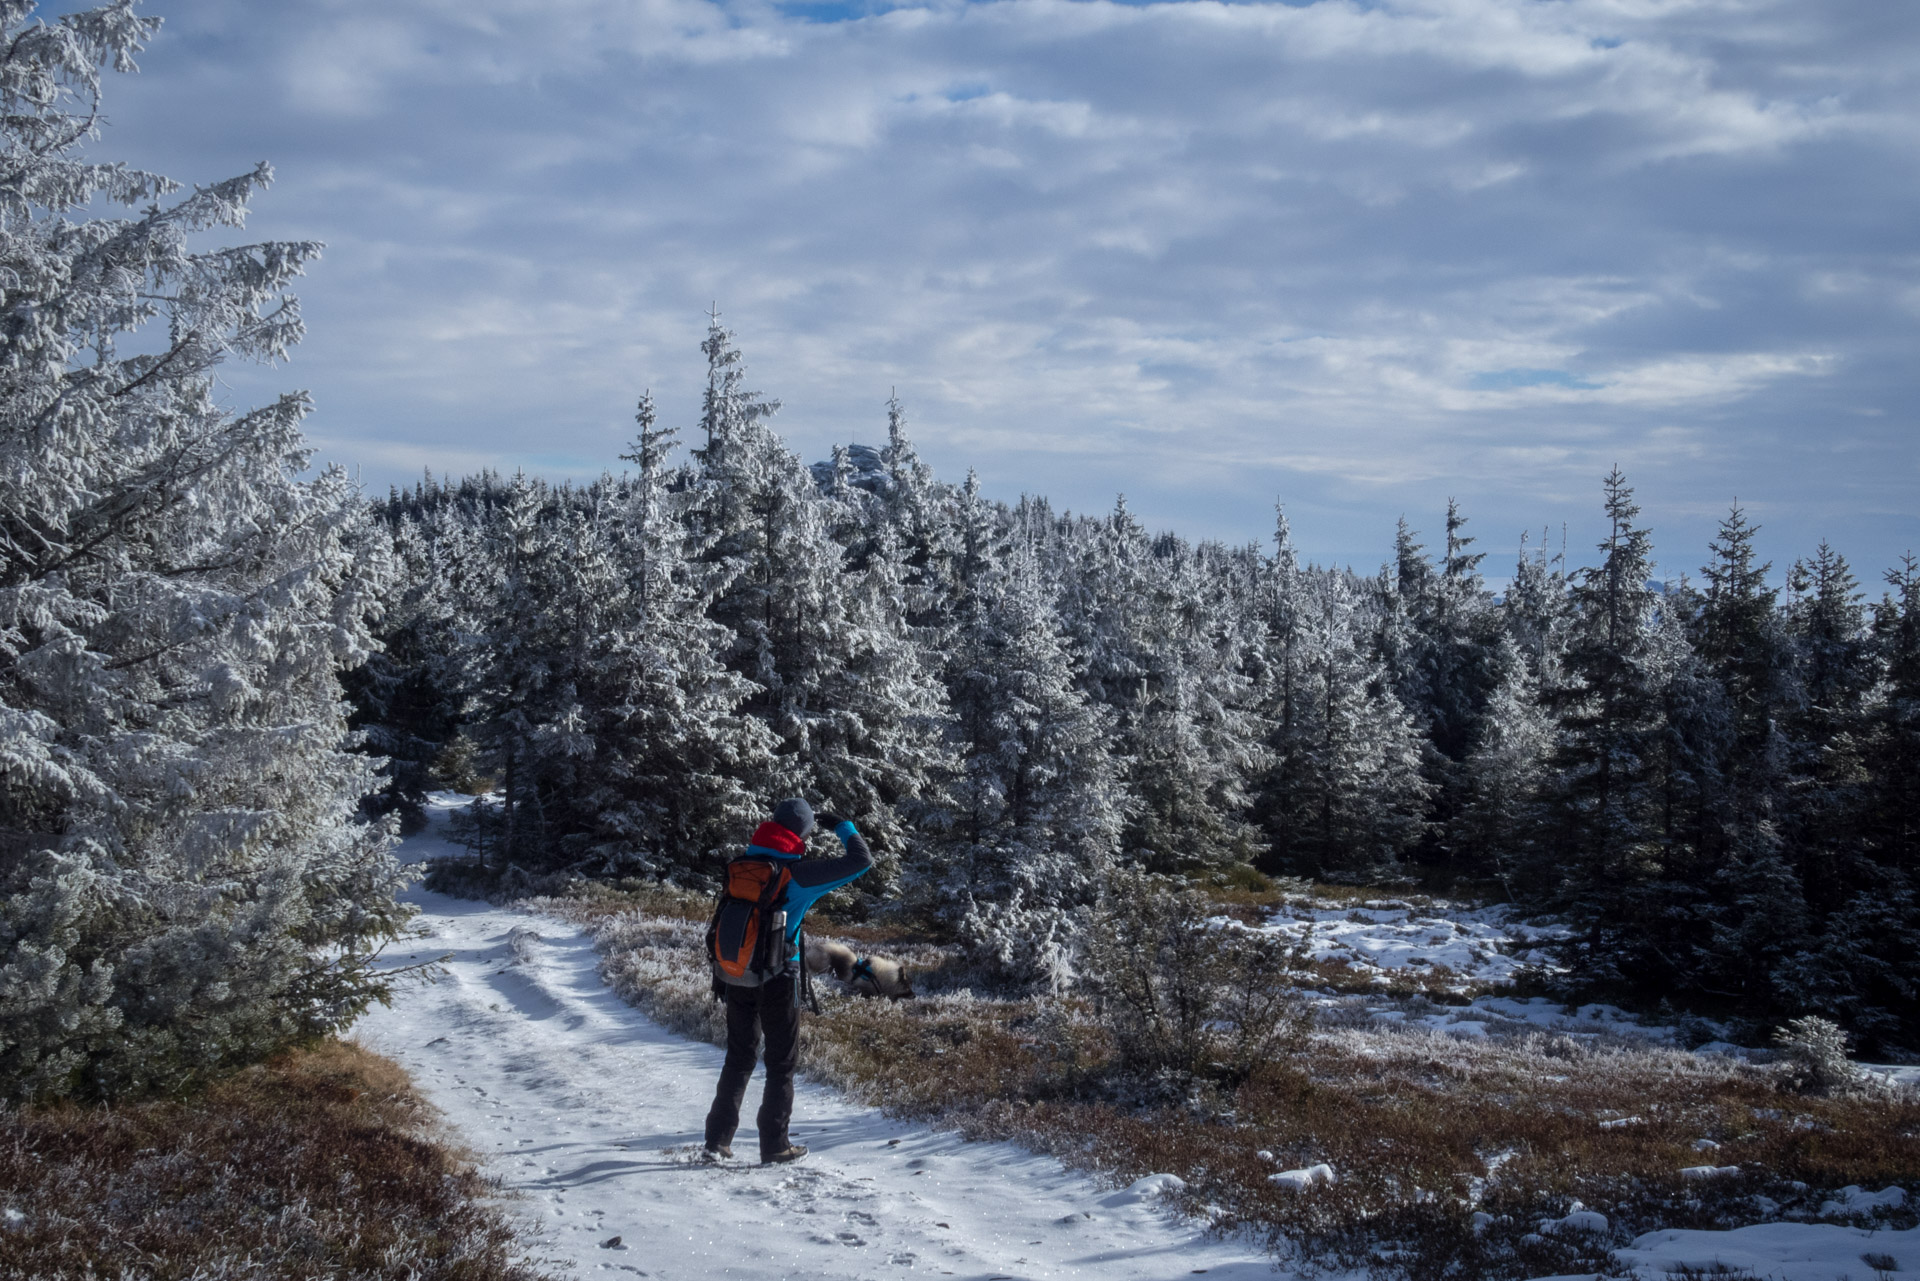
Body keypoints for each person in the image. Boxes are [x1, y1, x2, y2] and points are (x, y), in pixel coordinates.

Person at [703, 797, 871, 1164]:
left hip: (736, 973)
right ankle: (775, 1145)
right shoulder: (797, 874)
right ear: (802, 833)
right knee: (781, 1063)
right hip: (779, 977)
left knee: (739, 1057)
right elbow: (861, 861)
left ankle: (717, 1140)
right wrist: (844, 826)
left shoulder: (743, 864)